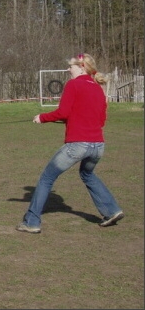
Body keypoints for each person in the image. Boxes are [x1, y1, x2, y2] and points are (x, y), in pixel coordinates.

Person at [16, 53, 124, 234]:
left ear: (81, 67)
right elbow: (100, 119)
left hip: (78, 145)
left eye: (71, 66)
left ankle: (32, 222)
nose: (68, 69)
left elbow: (63, 112)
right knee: (87, 174)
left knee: (46, 178)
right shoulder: (98, 88)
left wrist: (42, 118)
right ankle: (112, 210)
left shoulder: (73, 84)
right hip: (98, 145)